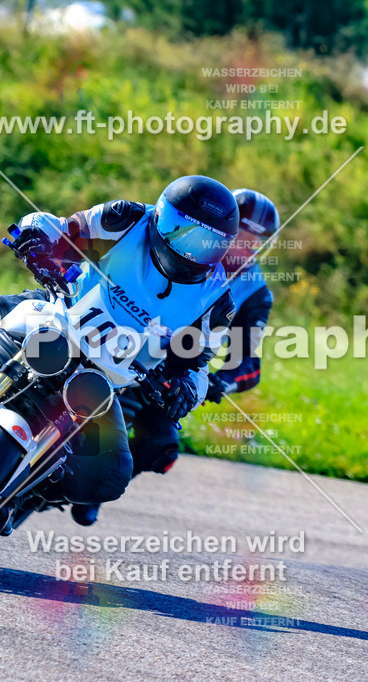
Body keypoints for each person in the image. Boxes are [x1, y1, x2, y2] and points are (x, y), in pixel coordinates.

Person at [0, 176, 238, 510]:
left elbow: (197, 365)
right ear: (159, 216)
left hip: (105, 379)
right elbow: (58, 227)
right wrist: (36, 237)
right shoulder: (125, 219)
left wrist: (185, 389)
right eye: (179, 230)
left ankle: (22, 493)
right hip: (56, 314)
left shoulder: (217, 302)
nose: (188, 249)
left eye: (205, 242)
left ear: (222, 248)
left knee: (110, 476)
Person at [70, 188, 278, 526]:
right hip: (95, 322)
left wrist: (216, 382)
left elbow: (247, 361)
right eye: (242, 231)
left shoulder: (253, 292)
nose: (245, 243)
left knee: (161, 446)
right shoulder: (165, 235)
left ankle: (92, 491)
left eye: (258, 239)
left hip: (165, 368)